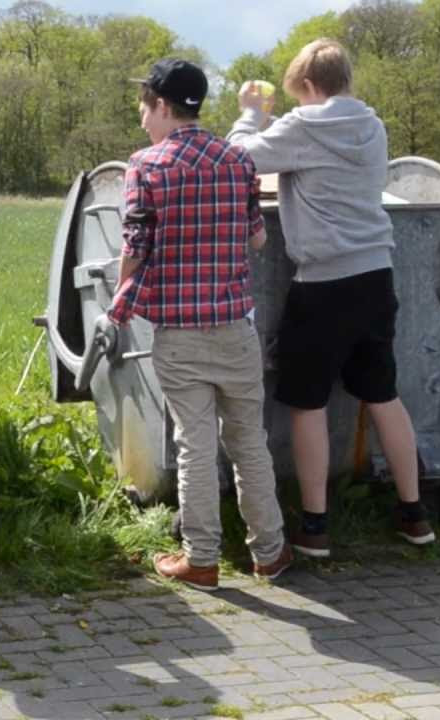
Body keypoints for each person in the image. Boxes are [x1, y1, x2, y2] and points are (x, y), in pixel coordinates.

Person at [226, 39, 436, 558]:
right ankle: (415, 516)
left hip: (322, 285)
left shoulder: (305, 125)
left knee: (306, 402)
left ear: (311, 87)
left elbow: (238, 160)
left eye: (299, 94)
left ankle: (315, 527)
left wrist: (252, 115)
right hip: (375, 276)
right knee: (383, 394)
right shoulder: (372, 125)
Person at [109, 58, 293, 591]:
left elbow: (135, 251)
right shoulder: (237, 161)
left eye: (145, 108)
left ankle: (204, 558)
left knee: (194, 445)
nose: (143, 120)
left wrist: (117, 303)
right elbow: (258, 239)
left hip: (180, 335)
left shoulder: (146, 166)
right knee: (248, 442)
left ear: (164, 107)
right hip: (235, 327)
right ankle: (270, 552)